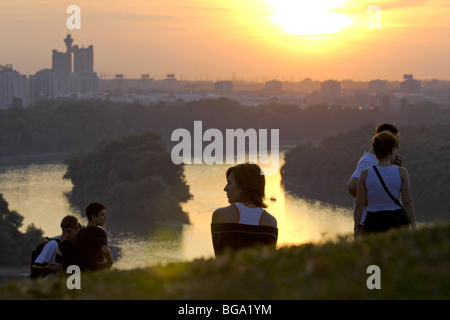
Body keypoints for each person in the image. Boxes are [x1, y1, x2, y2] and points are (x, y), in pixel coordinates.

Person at [353, 131, 416, 235]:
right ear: (392, 150)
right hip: (396, 220)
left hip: (373, 220)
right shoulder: (401, 172)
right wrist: (413, 225)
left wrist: (356, 228)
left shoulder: (365, 174)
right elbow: (407, 201)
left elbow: (359, 203)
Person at [211, 163, 278, 255]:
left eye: (230, 183)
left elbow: (219, 257)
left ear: (242, 186)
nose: (225, 188)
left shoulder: (220, 215)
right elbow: (268, 262)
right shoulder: (271, 221)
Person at [347, 123, 402, 230]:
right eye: (396, 142)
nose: (398, 146)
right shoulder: (368, 160)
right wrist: (376, 201)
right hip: (369, 224)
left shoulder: (383, 160)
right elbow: (352, 187)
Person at [31, 215, 79, 279]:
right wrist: (58, 270)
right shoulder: (53, 244)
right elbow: (37, 265)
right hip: (50, 281)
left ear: (77, 229)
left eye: (69, 231)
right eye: (64, 231)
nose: (66, 235)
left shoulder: (75, 244)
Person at [75, 202, 113, 272]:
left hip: (81, 271)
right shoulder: (99, 232)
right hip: (95, 271)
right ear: (93, 217)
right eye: (102, 215)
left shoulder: (80, 232)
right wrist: (110, 262)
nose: (106, 217)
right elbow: (105, 250)